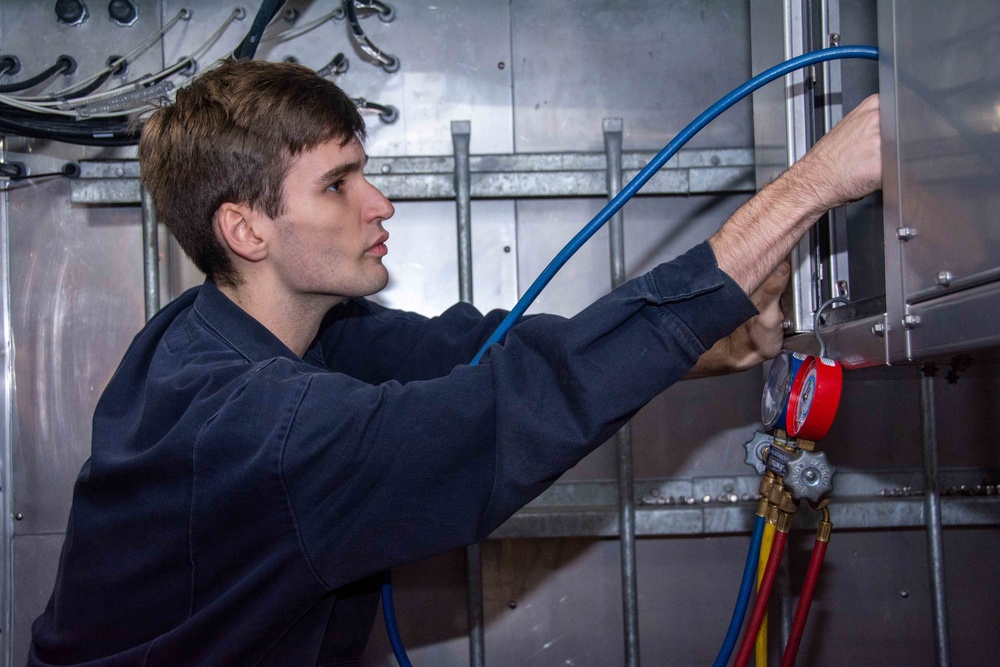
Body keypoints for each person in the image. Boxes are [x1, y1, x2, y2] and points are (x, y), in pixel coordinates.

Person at [28, 59, 880, 666]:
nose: (379, 201)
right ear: (245, 230)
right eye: (339, 183)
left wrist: (710, 338)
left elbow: (469, 353)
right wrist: (811, 187)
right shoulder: (266, 428)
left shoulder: (214, 332)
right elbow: (504, 414)